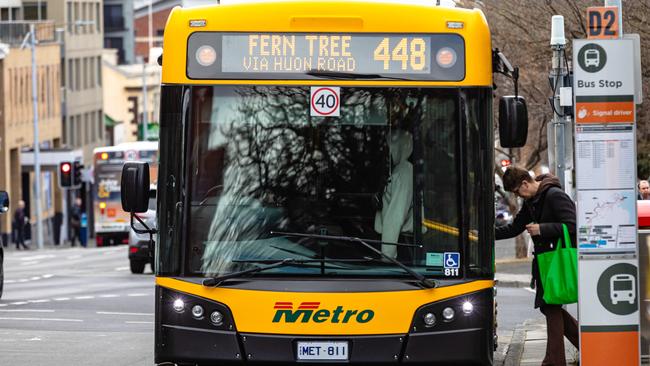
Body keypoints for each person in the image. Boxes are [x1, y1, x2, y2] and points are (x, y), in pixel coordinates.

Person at [495, 166, 578, 365]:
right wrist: (485, 234)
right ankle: (582, 345)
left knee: (549, 306)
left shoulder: (554, 195)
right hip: (545, 262)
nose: (517, 195)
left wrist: (543, 229)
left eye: (517, 191)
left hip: (556, 261)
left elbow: (573, 225)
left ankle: (554, 361)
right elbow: (515, 227)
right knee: (548, 306)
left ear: (524, 183)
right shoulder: (531, 200)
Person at [374, 129, 414, 259]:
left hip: (398, 243)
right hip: (396, 240)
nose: (386, 152)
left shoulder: (403, 173)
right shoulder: (399, 170)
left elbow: (395, 217)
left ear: (399, 147)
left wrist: (387, 256)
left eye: (389, 147)